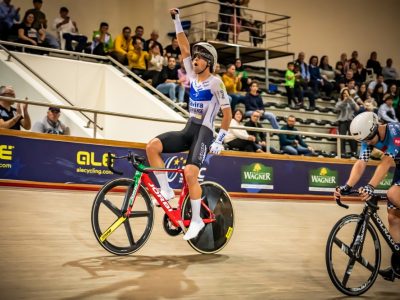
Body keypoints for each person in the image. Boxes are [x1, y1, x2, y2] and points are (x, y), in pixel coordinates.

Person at [146, 8, 232, 241]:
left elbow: (227, 114)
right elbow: (184, 45)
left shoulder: (216, 83)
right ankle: (165, 190)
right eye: (194, 57)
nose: (194, 59)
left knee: (190, 173)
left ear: (209, 62)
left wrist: (219, 140)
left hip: (204, 133)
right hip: (189, 128)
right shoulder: (192, 76)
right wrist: (176, 20)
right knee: (152, 146)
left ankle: (195, 221)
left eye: (200, 57)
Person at [335, 111, 400, 281]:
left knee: (392, 193)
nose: (368, 143)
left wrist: (371, 186)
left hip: (395, 162)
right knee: (393, 217)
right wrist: (347, 186)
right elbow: (361, 162)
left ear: (376, 128)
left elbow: (386, 161)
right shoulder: (368, 136)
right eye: (364, 141)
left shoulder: (394, 132)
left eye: (370, 139)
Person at [335, 87, 359, 156]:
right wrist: (345, 101)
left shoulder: (351, 101)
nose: (345, 94)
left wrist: (350, 99)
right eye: (344, 93)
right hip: (342, 121)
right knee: (342, 136)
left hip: (351, 121)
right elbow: (337, 108)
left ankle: (354, 151)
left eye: (347, 93)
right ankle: (342, 152)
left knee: (353, 136)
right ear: (342, 95)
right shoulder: (339, 102)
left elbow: (357, 108)